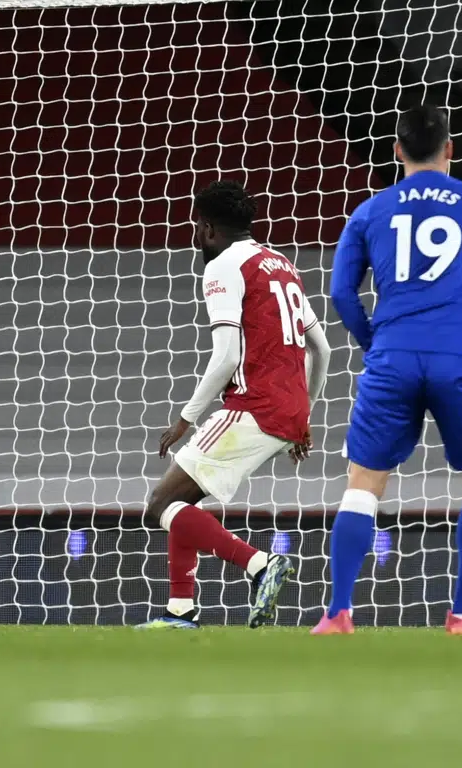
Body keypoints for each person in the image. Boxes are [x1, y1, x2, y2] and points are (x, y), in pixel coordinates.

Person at [315, 105, 462, 636]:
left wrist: (375, 343)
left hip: (392, 357)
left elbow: (341, 292)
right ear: (450, 149)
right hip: (459, 358)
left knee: (364, 481)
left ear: (397, 151)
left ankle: (338, 612)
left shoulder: (370, 210)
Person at [137, 181, 330, 629]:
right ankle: (180, 611)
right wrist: (304, 414)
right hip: (286, 410)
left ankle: (261, 564)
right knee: (182, 502)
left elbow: (225, 357)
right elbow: (321, 348)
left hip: (252, 406)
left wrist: (185, 419)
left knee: (160, 504)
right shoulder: (281, 264)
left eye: (195, 227)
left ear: (207, 228)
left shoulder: (224, 266)